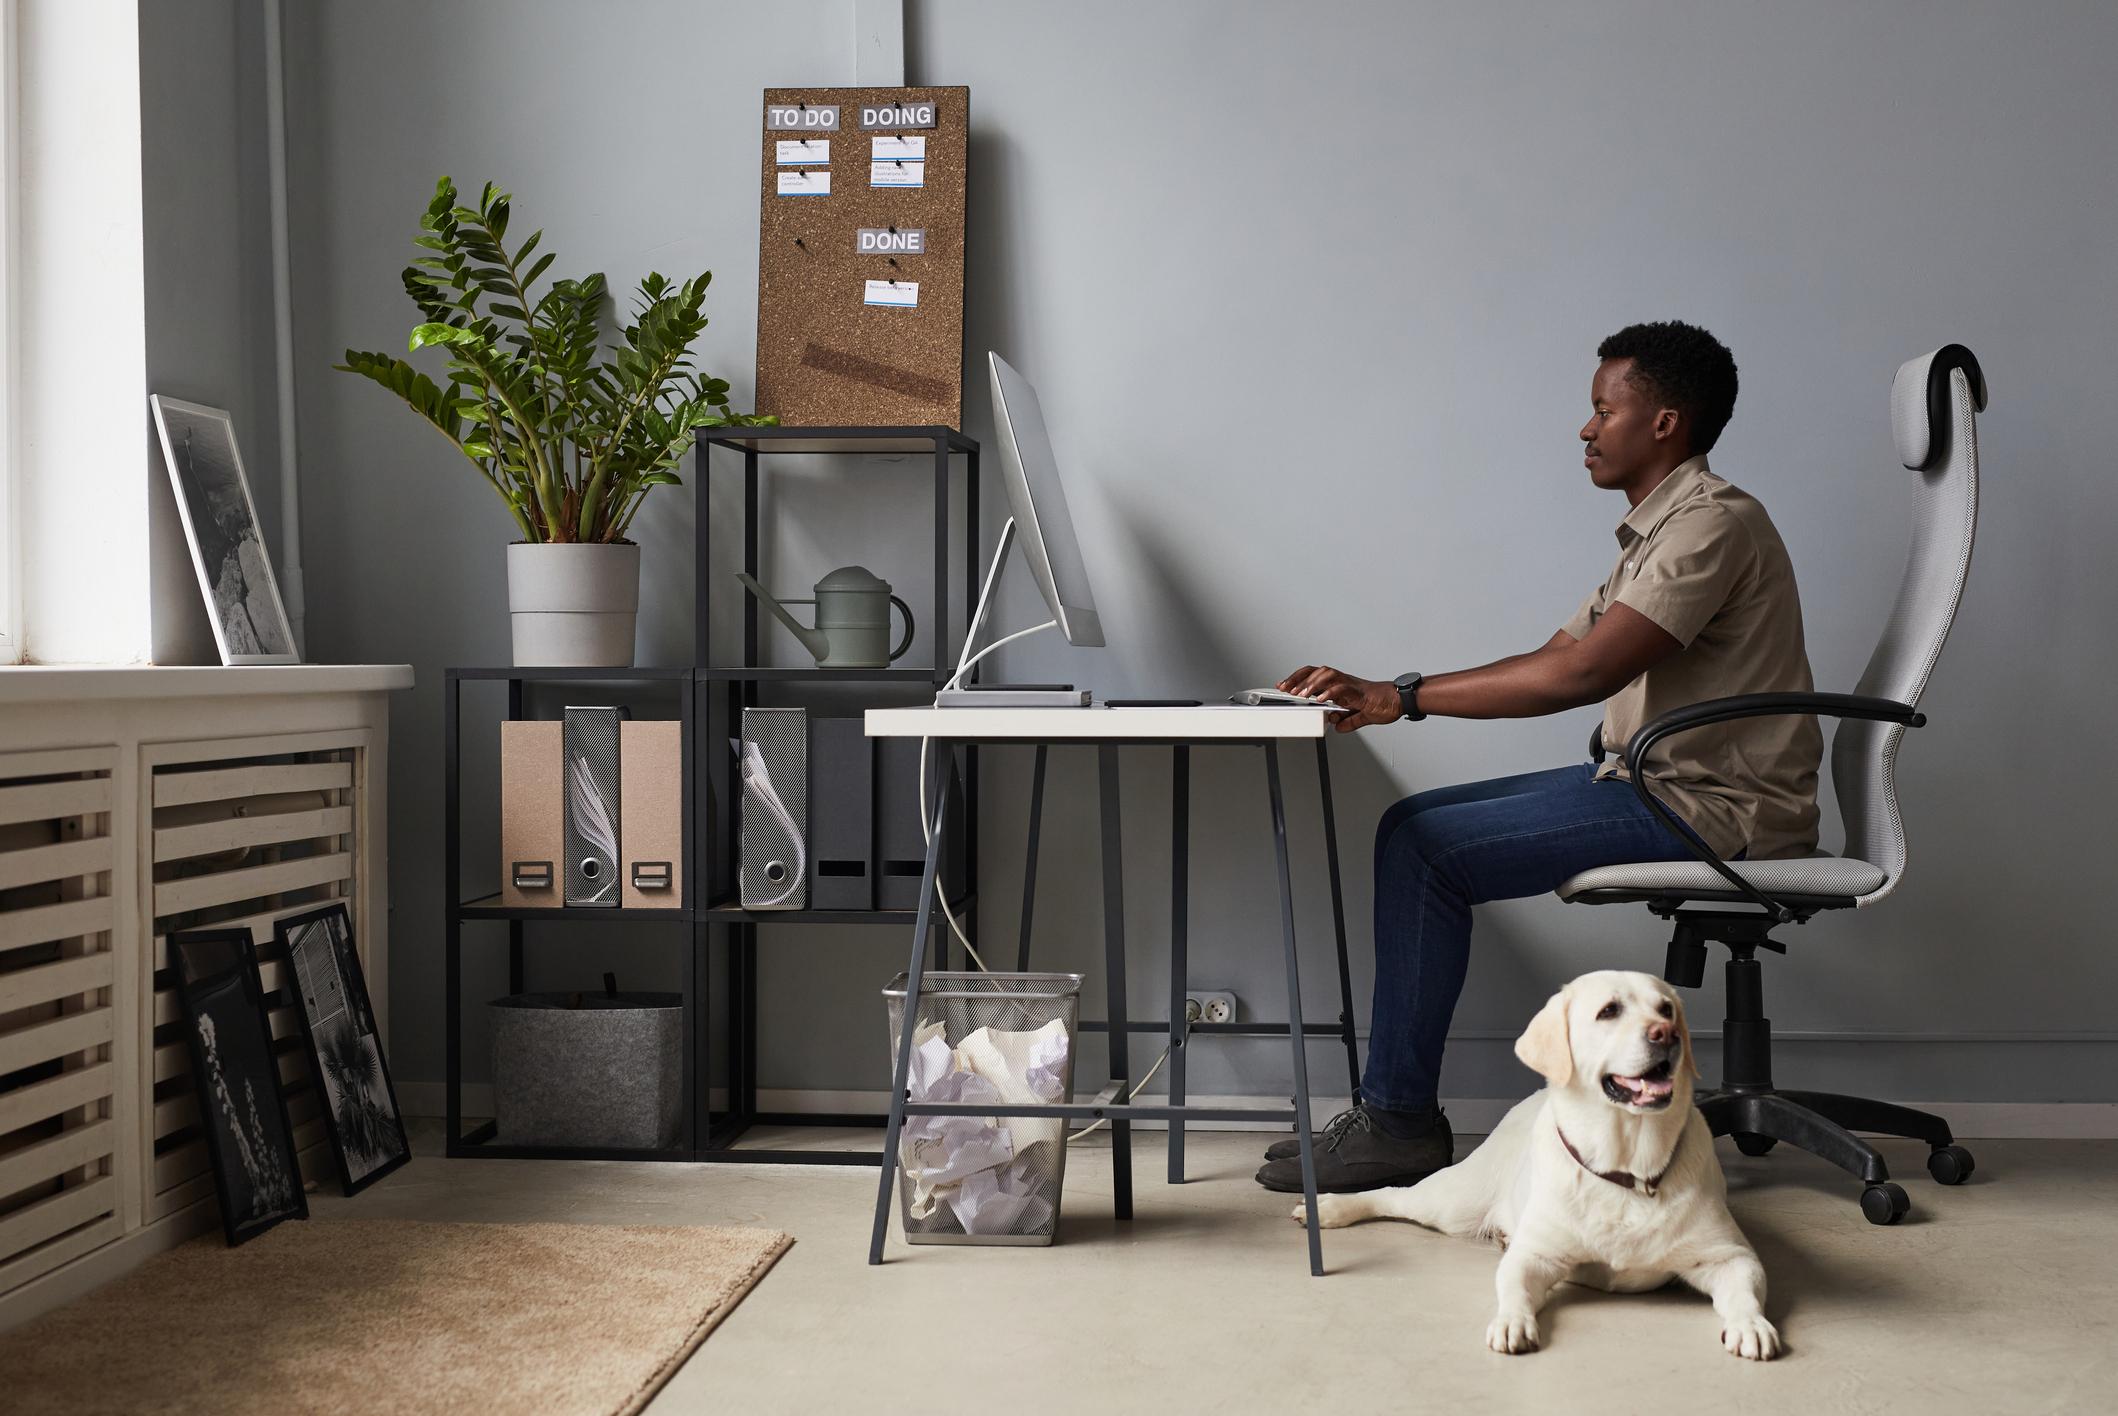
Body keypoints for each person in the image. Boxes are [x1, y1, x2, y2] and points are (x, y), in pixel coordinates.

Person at [1254, 320, 1822, 1194]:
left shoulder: (1711, 526)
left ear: (1664, 423)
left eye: (1604, 409)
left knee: (1426, 854)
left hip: (1711, 806)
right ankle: (1390, 1113)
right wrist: (1388, 696)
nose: (1586, 428)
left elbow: (1583, 673)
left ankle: (1400, 1126)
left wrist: (1397, 698)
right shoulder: (1658, 533)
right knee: (1410, 823)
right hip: (1656, 781)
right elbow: (1551, 656)